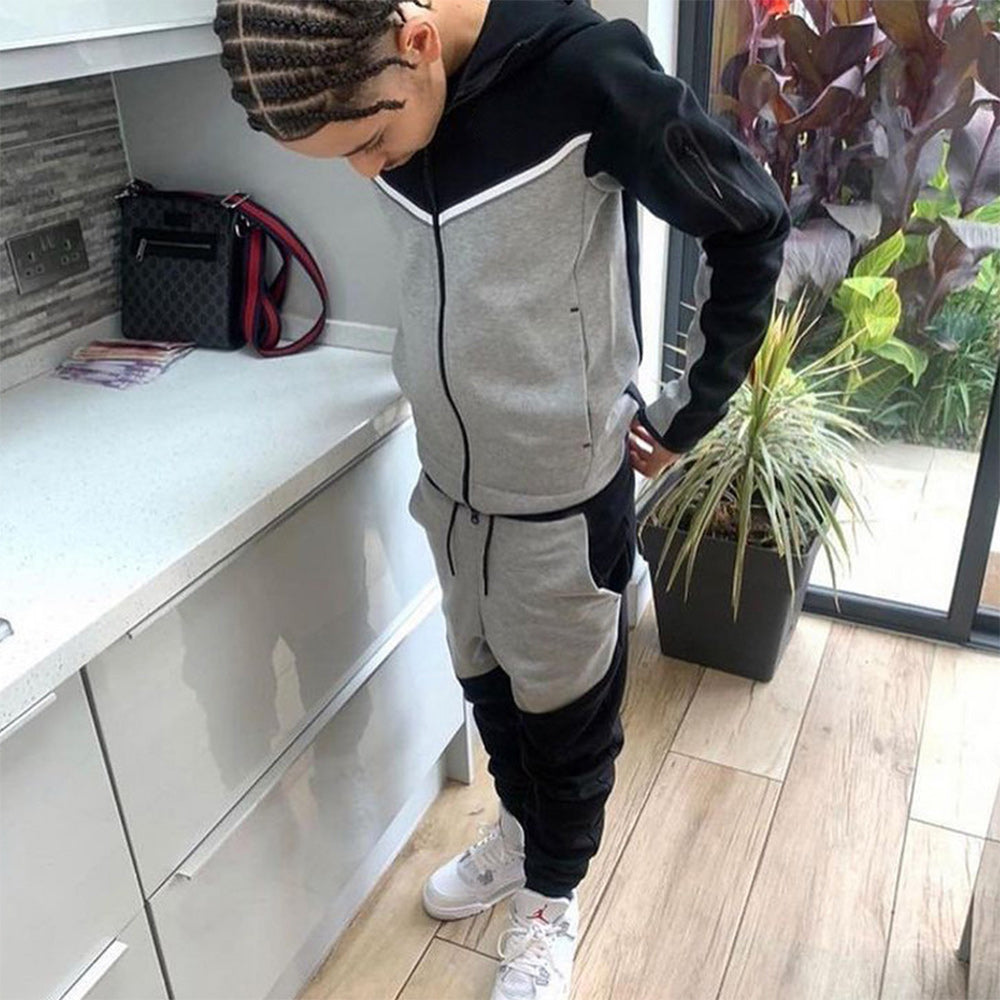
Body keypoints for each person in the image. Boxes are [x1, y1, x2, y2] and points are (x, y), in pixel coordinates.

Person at [212, 2, 790, 997]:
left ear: (416, 45)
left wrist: (691, 408)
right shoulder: (381, 88)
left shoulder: (586, 73)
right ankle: (522, 840)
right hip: (449, 489)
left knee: (567, 724)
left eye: (369, 144)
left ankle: (550, 903)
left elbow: (749, 219)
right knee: (488, 689)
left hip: (561, 498)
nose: (369, 170)